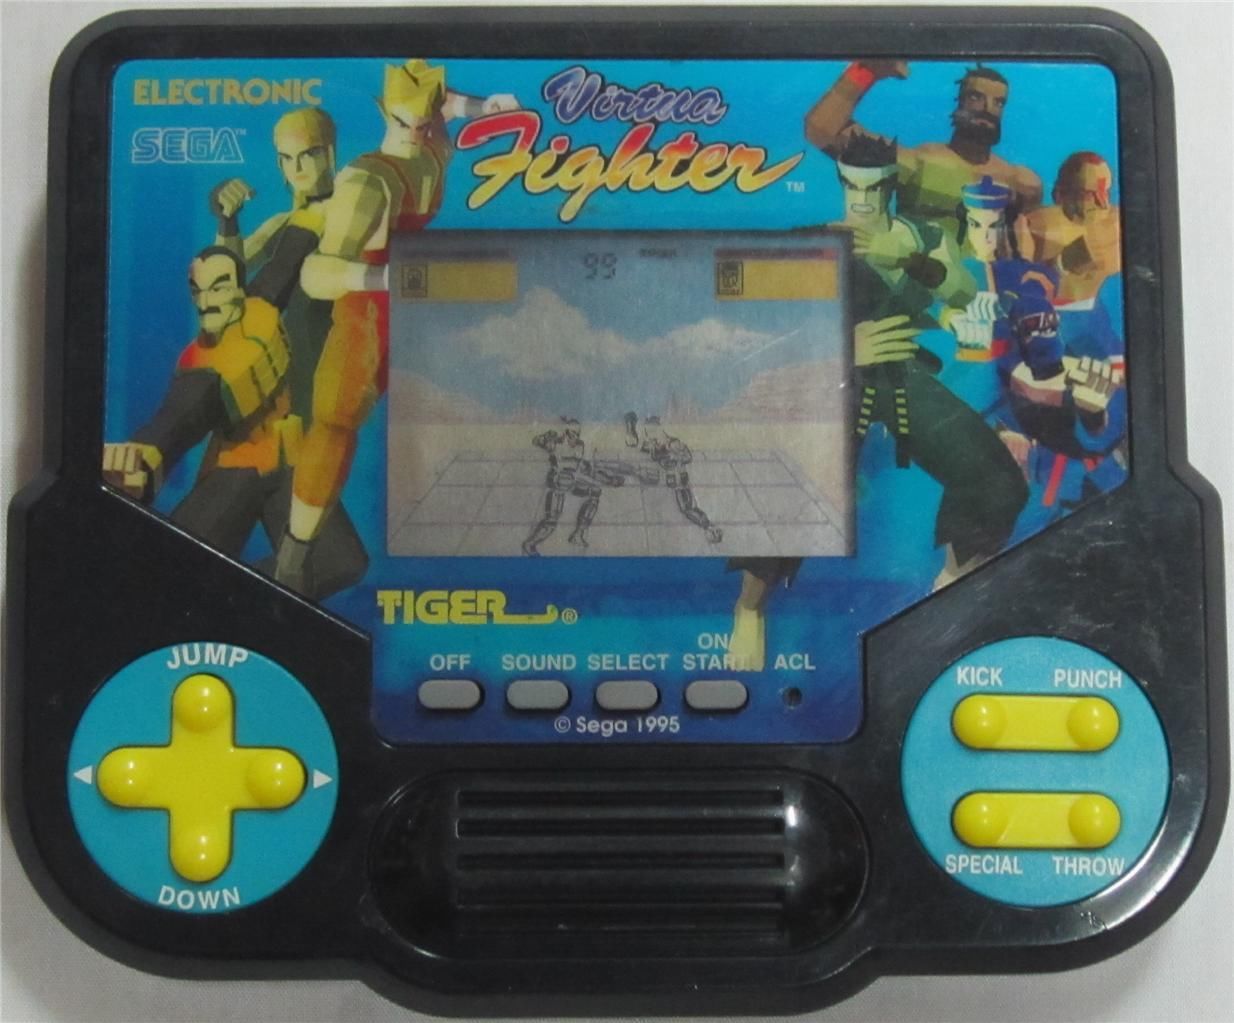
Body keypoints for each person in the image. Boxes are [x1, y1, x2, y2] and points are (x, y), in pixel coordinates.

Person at [273, 59, 517, 593]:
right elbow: (316, 274)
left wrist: (483, 106)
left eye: (425, 122)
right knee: (336, 426)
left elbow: (444, 102)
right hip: (362, 310)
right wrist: (389, 278)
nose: (416, 131)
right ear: (384, 112)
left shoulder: (434, 145)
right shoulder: (369, 181)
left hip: (412, 305)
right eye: (404, 121)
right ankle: (292, 560)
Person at [102, 247, 366, 597]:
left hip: (290, 461)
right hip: (235, 472)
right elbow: (177, 418)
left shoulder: (261, 307)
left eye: (218, 287)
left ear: (240, 289)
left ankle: (236, 597)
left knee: (341, 561)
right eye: (197, 291)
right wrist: (142, 460)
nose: (206, 302)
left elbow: (289, 255)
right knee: (173, 575)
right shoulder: (200, 368)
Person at [208, 106, 339, 421]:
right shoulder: (283, 222)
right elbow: (226, 272)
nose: (297, 167)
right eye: (287, 158)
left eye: (307, 154)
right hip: (264, 358)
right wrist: (227, 221)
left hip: (320, 357)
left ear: (330, 154)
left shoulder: (348, 211)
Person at [805, 61, 1042, 233]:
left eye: (998, 102)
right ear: (960, 103)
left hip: (988, 286)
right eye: (975, 97)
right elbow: (821, 129)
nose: (988, 109)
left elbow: (1033, 248)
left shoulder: (1021, 183)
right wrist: (867, 70)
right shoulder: (920, 164)